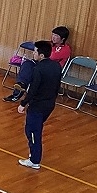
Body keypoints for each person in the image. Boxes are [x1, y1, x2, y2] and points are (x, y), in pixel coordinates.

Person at [17, 40, 62, 170]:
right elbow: (57, 86)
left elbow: (33, 89)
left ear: (41, 55)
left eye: (35, 51)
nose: (33, 53)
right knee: (35, 129)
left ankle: (34, 160)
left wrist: (23, 103)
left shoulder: (38, 69)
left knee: (32, 131)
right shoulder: (56, 66)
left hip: (37, 105)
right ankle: (34, 156)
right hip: (50, 104)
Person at [4, 26, 71, 102]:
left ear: (63, 39)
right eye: (53, 34)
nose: (53, 37)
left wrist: (42, 51)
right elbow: (39, 50)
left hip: (52, 70)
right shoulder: (50, 45)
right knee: (27, 64)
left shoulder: (65, 49)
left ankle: (23, 93)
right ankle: (20, 86)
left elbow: (50, 56)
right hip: (41, 64)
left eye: (56, 35)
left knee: (33, 71)